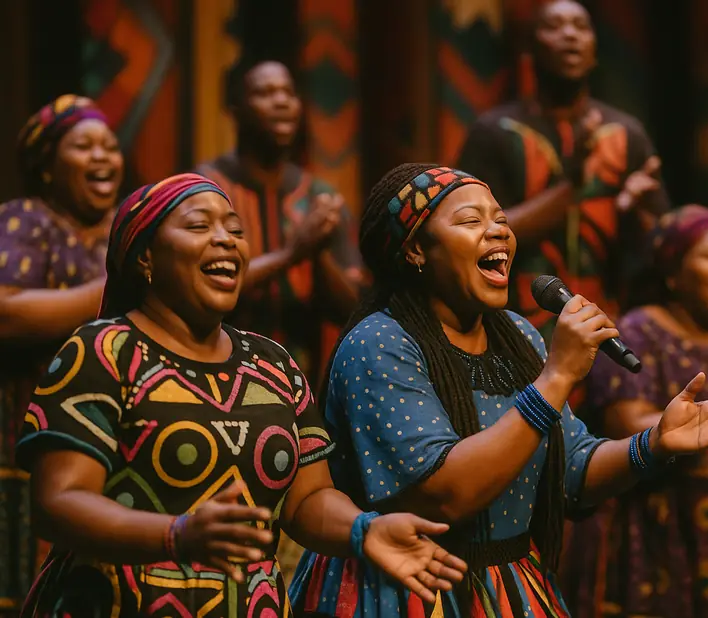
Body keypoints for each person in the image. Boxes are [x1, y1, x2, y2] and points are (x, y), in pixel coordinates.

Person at [289, 162, 708, 617]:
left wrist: (650, 445)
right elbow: (442, 493)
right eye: (471, 221)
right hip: (403, 590)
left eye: (501, 220)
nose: (498, 232)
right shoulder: (380, 342)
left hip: (507, 587)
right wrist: (554, 380)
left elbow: (569, 472)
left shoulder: (517, 335)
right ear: (414, 251)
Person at [15, 173, 466, 617]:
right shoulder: (103, 351)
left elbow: (306, 501)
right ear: (144, 257)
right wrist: (176, 535)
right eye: (198, 226)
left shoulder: (272, 362)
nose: (226, 240)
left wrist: (363, 530)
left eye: (235, 230)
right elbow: (58, 503)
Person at [561, 206, 708, 618]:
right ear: (673, 274)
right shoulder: (638, 330)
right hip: (652, 514)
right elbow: (623, 421)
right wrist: (684, 428)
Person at [457, 0, 669, 343]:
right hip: (514, 325)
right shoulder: (495, 131)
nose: (570, 35)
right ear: (530, 49)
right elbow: (480, 237)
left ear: (594, 51)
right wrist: (573, 182)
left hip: (609, 320)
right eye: (554, 26)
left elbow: (665, 247)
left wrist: (639, 211)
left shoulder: (626, 133)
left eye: (581, 27)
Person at [0, 95, 122, 613]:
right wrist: (120, 288)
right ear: (47, 167)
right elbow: (8, 313)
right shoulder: (24, 220)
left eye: (110, 146)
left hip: (114, 451)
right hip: (22, 446)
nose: (103, 156)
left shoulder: (126, 226)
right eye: (83, 146)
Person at [196, 59, 363, 385]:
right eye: (265, 92)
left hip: (302, 385)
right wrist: (291, 255)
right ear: (235, 108)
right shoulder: (205, 189)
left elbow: (353, 309)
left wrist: (317, 254)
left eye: (288, 92)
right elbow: (195, 291)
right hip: (215, 378)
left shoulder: (319, 196)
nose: (282, 101)